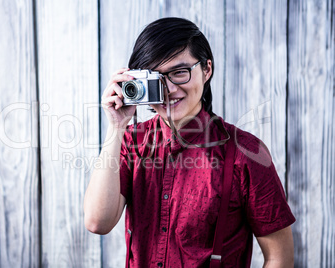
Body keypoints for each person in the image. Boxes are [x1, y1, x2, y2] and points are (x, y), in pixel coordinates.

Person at [84, 17, 295, 267]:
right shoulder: (131, 142)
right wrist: (116, 126)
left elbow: (279, 256)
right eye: (155, 79)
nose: (169, 89)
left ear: (207, 69)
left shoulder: (246, 152)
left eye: (179, 72)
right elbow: (98, 222)